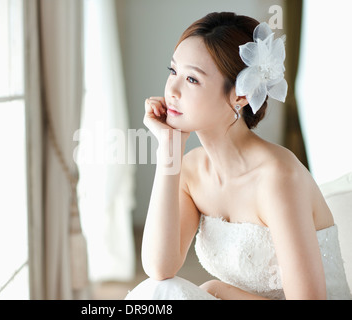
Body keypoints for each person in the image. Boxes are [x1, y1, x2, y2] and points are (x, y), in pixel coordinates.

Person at [125, 12, 351, 300]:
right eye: (173, 72)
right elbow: (159, 268)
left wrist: (217, 291)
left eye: (192, 79)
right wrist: (169, 148)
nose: (173, 91)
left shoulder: (277, 178)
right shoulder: (192, 171)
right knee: (159, 291)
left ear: (241, 95)